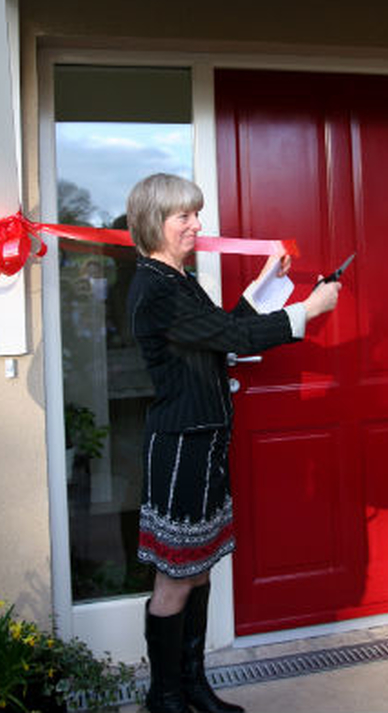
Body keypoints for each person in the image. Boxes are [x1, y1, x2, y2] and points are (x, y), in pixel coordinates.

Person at [126, 173, 341, 713]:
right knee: (175, 577)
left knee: (197, 567)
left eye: (196, 214)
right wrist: (308, 311)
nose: (197, 224)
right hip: (180, 449)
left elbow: (218, 331)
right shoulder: (155, 289)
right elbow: (232, 338)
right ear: (156, 222)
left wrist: (268, 278)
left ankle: (194, 686)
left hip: (205, 445)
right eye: (185, 216)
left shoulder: (176, 280)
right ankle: (165, 696)